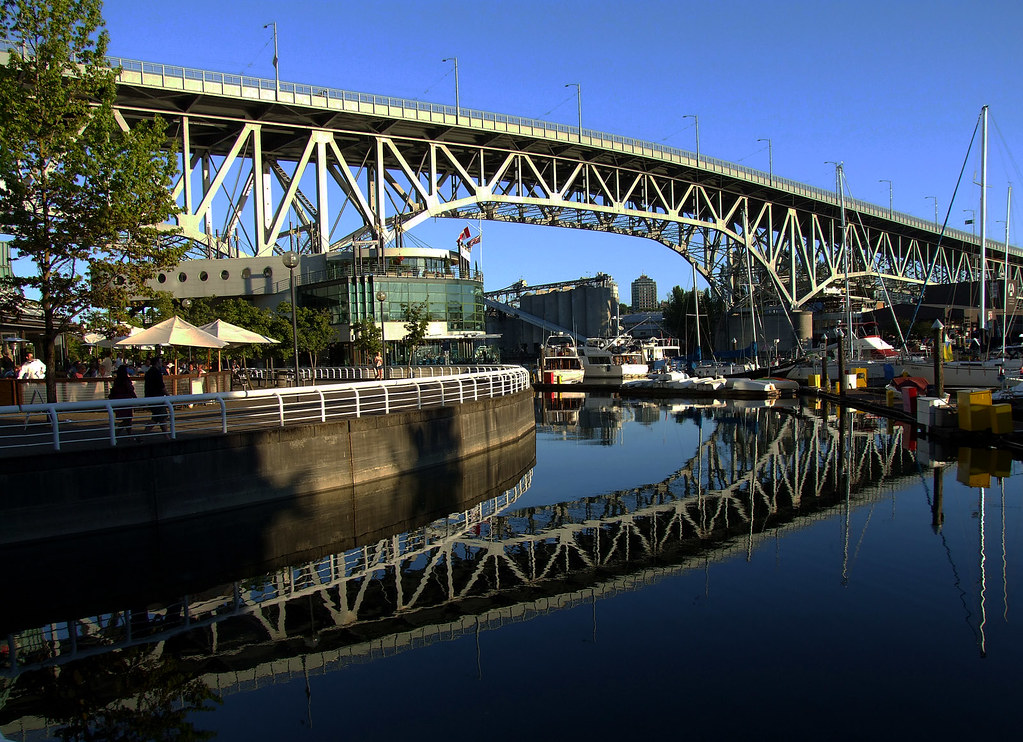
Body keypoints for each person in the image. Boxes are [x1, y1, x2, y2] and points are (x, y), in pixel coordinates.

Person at [108, 364, 137, 437]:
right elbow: (130, 389)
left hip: (118, 400)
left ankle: (128, 435)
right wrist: (136, 398)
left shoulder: (117, 381)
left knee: (127, 419)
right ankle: (116, 434)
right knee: (128, 419)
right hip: (126, 400)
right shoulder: (126, 380)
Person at [144, 356, 170, 437]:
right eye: (160, 362)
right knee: (159, 416)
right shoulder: (157, 372)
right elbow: (161, 386)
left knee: (160, 417)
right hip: (157, 397)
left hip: (150, 396)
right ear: (157, 363)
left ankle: (167, 437)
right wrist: (168, 395)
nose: (161, 364)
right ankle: (142, 436)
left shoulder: (149, 372)